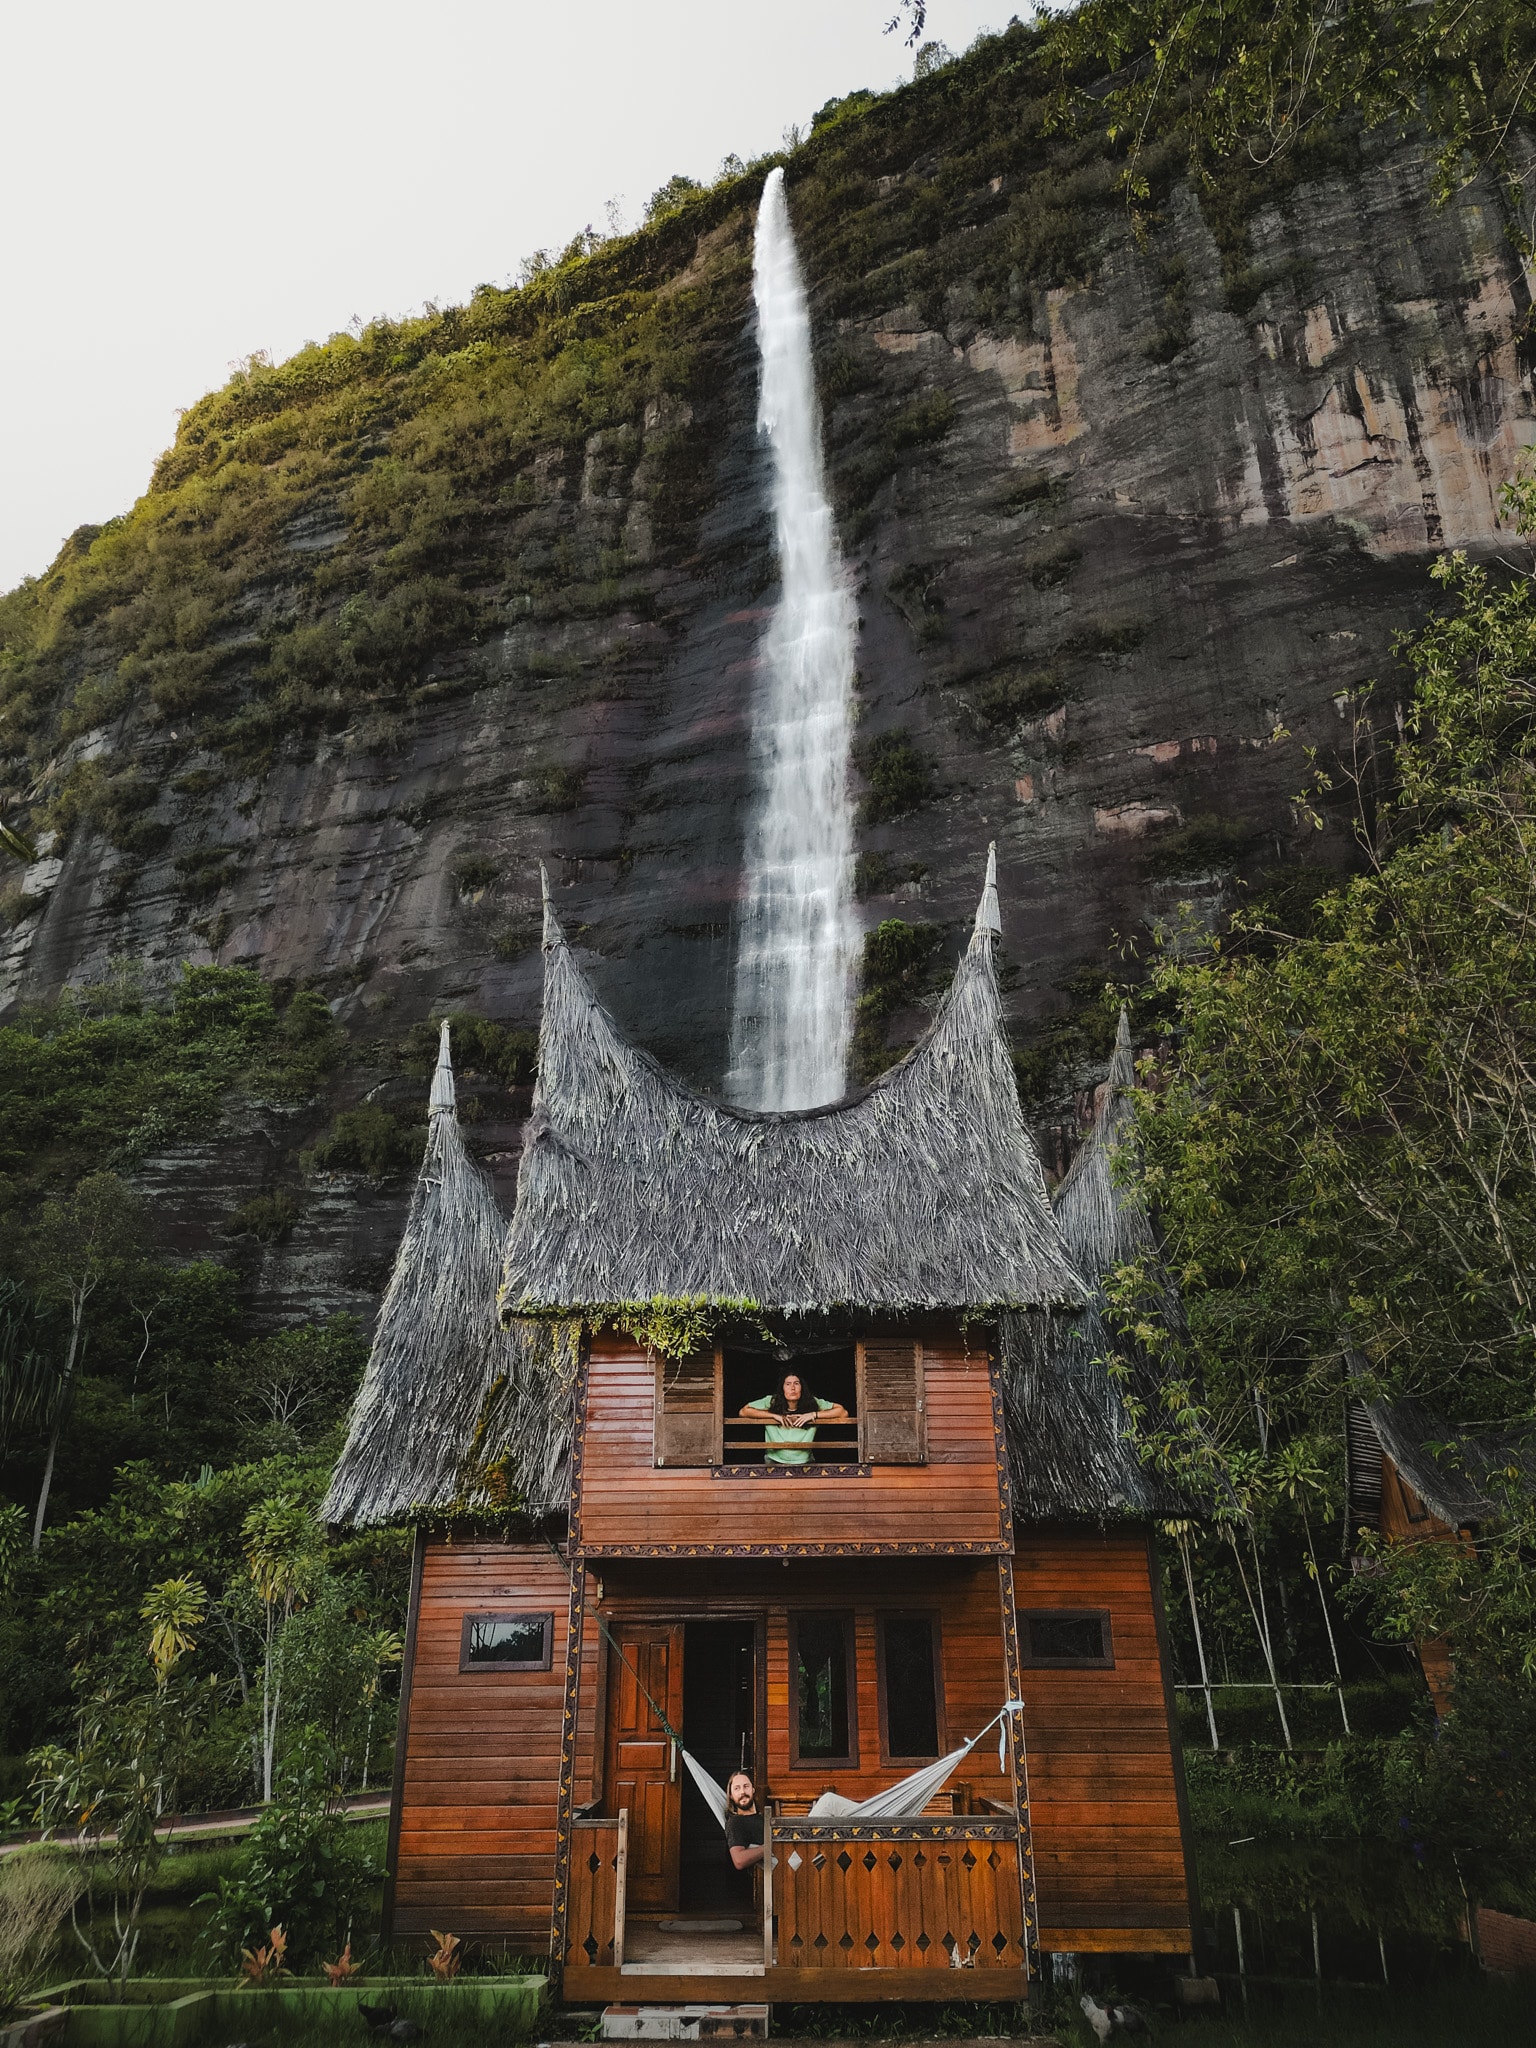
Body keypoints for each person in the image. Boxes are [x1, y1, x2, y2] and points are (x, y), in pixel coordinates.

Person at [739, 1370, 848, 1467]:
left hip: (804, 1460)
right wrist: (773, 1415)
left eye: (796, 1383)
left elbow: (843, 1413)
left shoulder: (812, 1402)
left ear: (802, 1387)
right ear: (782, 1388)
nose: (792, 1388)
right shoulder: (772, 1401)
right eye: (788, 1384)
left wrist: (813, 1415)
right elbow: (743, 1412)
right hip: (774, 1459)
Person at [724, 1769, 765, 1871]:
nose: (742, 1792)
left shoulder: (763, 1817)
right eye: (737, 1788)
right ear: (731, 1795)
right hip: (754, 1883)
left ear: (753, 1789)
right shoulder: (735, 1822)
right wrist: (769, 1847)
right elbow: (739, 1861)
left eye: (746, 1786)